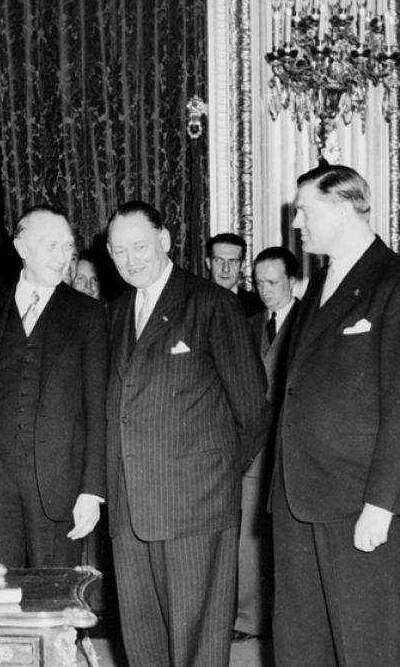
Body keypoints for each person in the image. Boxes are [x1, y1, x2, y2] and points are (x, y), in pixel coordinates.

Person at [272, 165, 400, 667]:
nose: (297, 222)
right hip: (299, 501)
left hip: (359, 506)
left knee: (371, 651)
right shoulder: (321, 283)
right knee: (305, 650)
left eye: (306, 209)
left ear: (345, 208)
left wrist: (381, 504)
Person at [105, 202, 269, 667]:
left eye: (139, 246)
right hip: (130, 507)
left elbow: (251, 408)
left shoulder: (211, 302)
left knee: (197, 645)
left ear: (166, 240)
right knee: (143, 641)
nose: (131, 260)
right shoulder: (114, 313)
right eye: (119, 252)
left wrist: (212, 476)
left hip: (195, 504)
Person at [0, 206, 108, 568]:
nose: (63, 257)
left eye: (68, 247)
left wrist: (92, 491)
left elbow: (99, 410)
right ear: (21, 247)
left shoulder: (89, 314)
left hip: (59, 487)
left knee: (54, 600)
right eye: (52, 246)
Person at [233, 246, 301, 642]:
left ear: (292, 280)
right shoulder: (250, 323)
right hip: (256, 449)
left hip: (295, 448)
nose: (265, 290)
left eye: (273, 282)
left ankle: (290, 623)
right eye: (258, 282)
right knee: (250, 539)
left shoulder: (313, 320)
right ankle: (248, 620)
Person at [206, 232, 265, 317]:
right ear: (208, 263)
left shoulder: (258, 308)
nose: (226, 269)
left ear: (243, 265)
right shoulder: (192, 303)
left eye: (232, 261)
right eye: (219, 260)